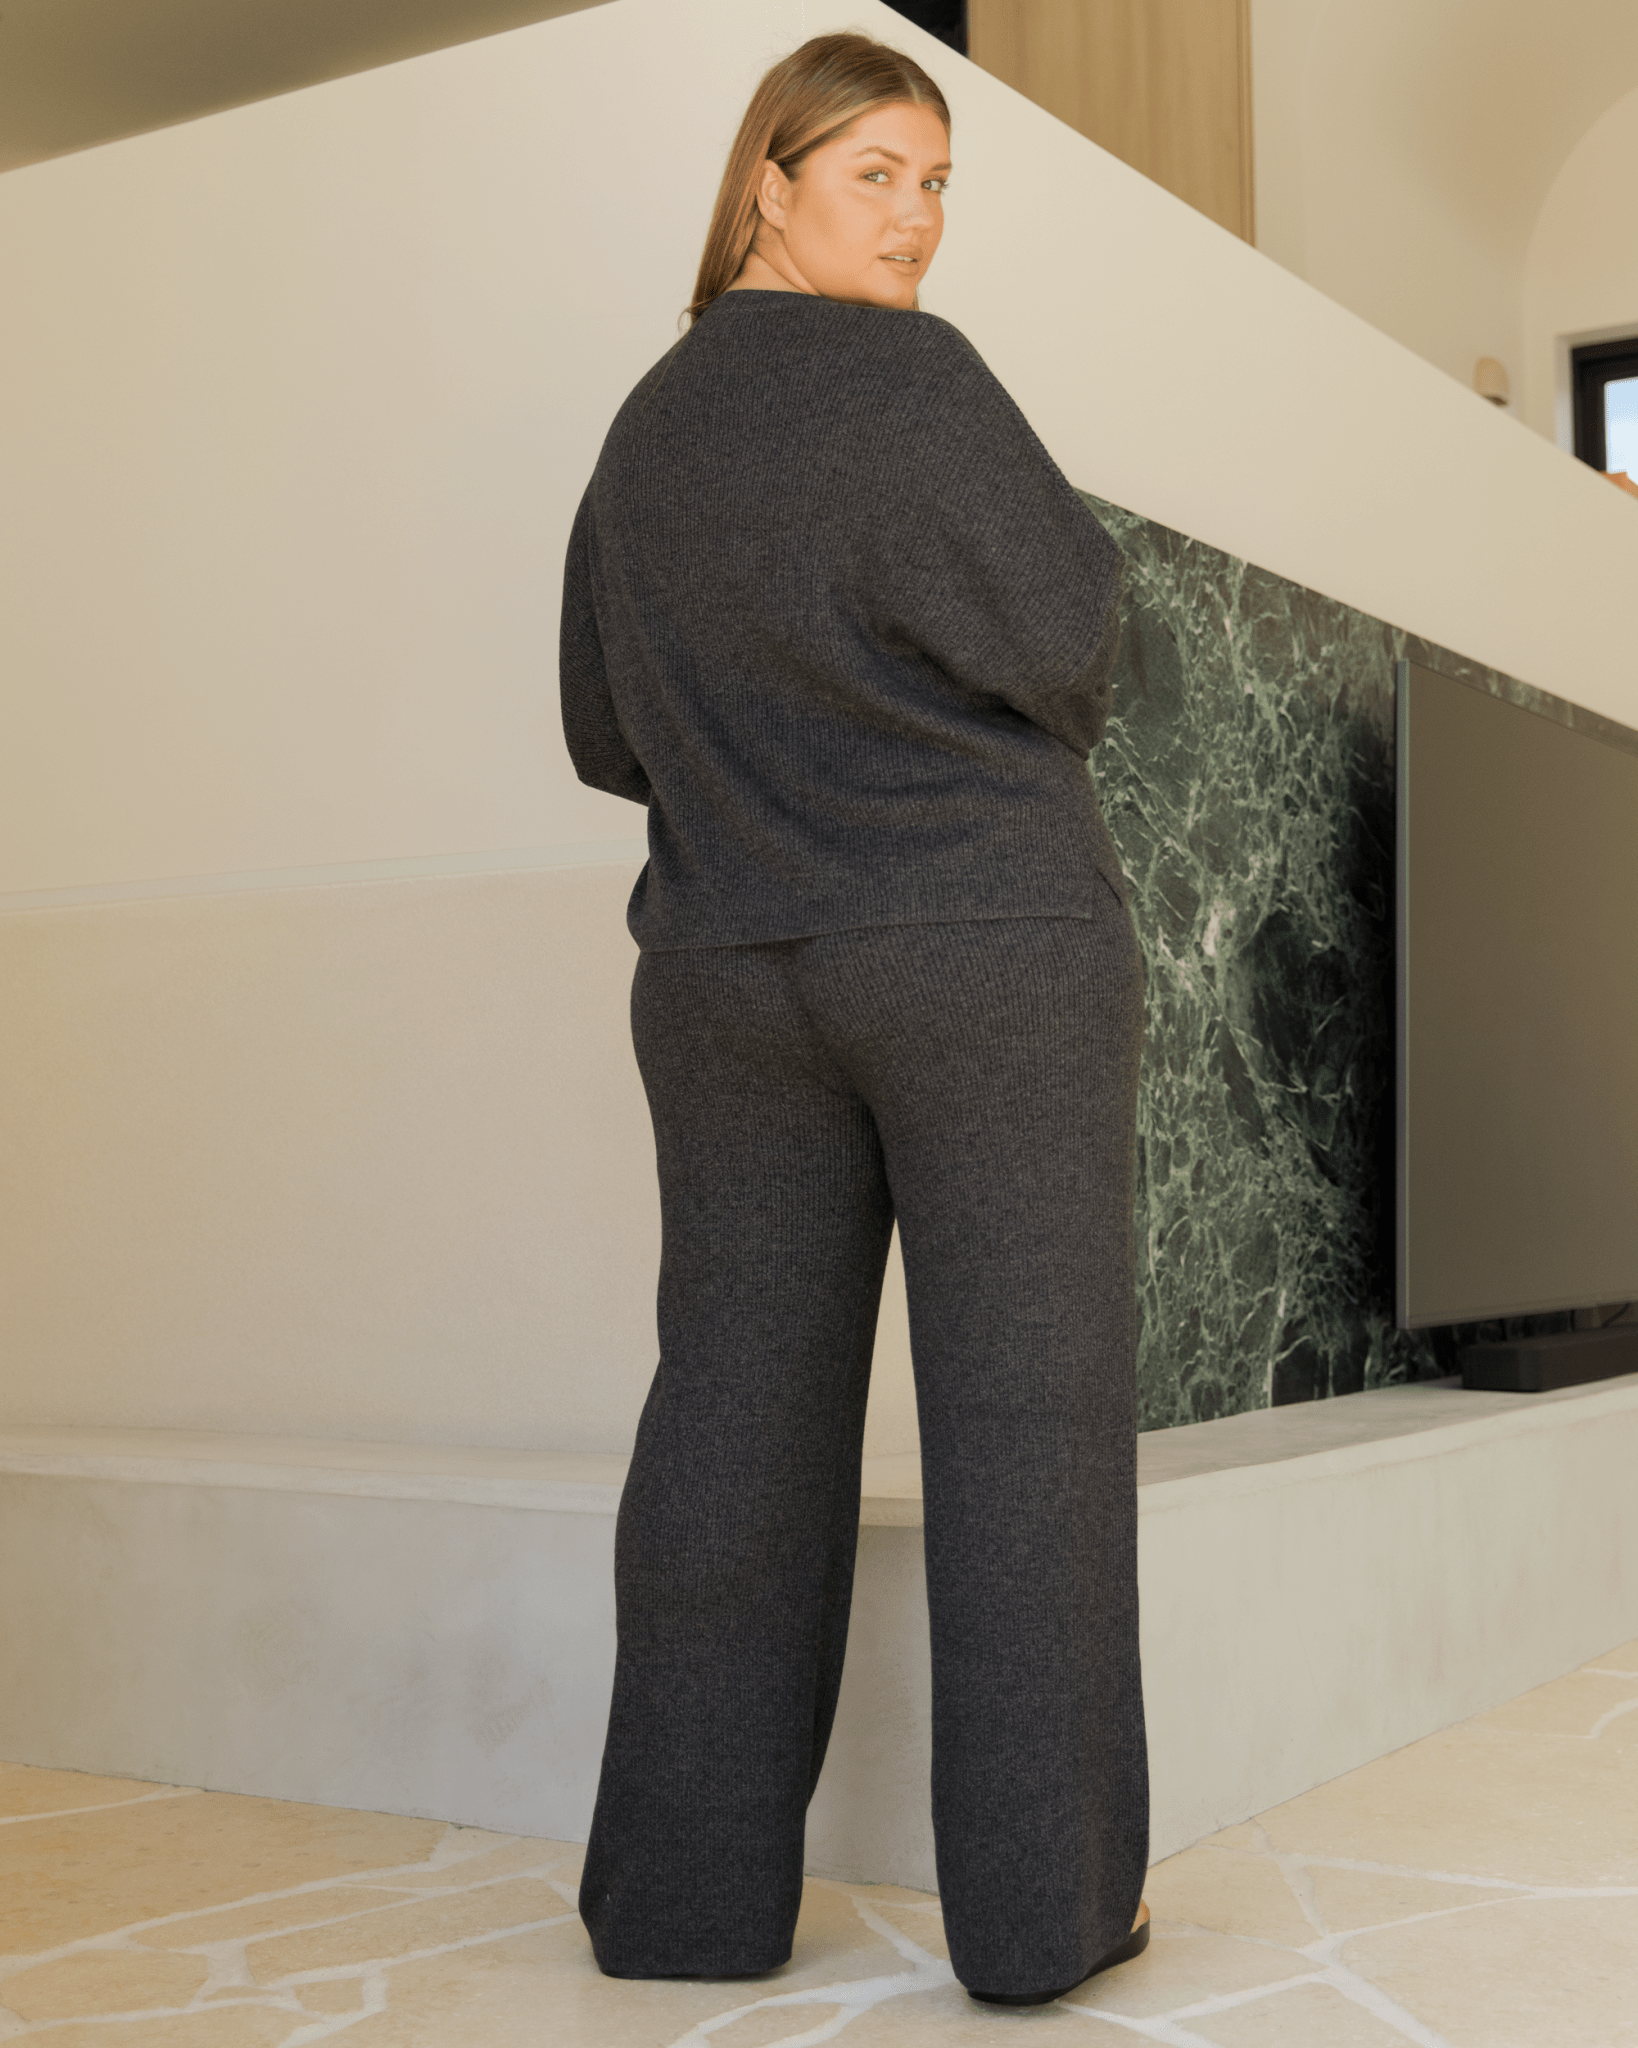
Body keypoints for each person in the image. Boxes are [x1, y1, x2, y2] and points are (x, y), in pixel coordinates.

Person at [559, 30, 1150, 2009]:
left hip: (726, 972)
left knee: (730, 1422)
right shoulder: (918, 381)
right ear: (772, 186)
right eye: (878, 174)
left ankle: (681, 1909)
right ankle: (1044, 1921)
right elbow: (1076, 640)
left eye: (936, 184)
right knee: (1025, 1426)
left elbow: (600, 730)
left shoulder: (644, 431)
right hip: (983, 954)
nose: (917, 220)